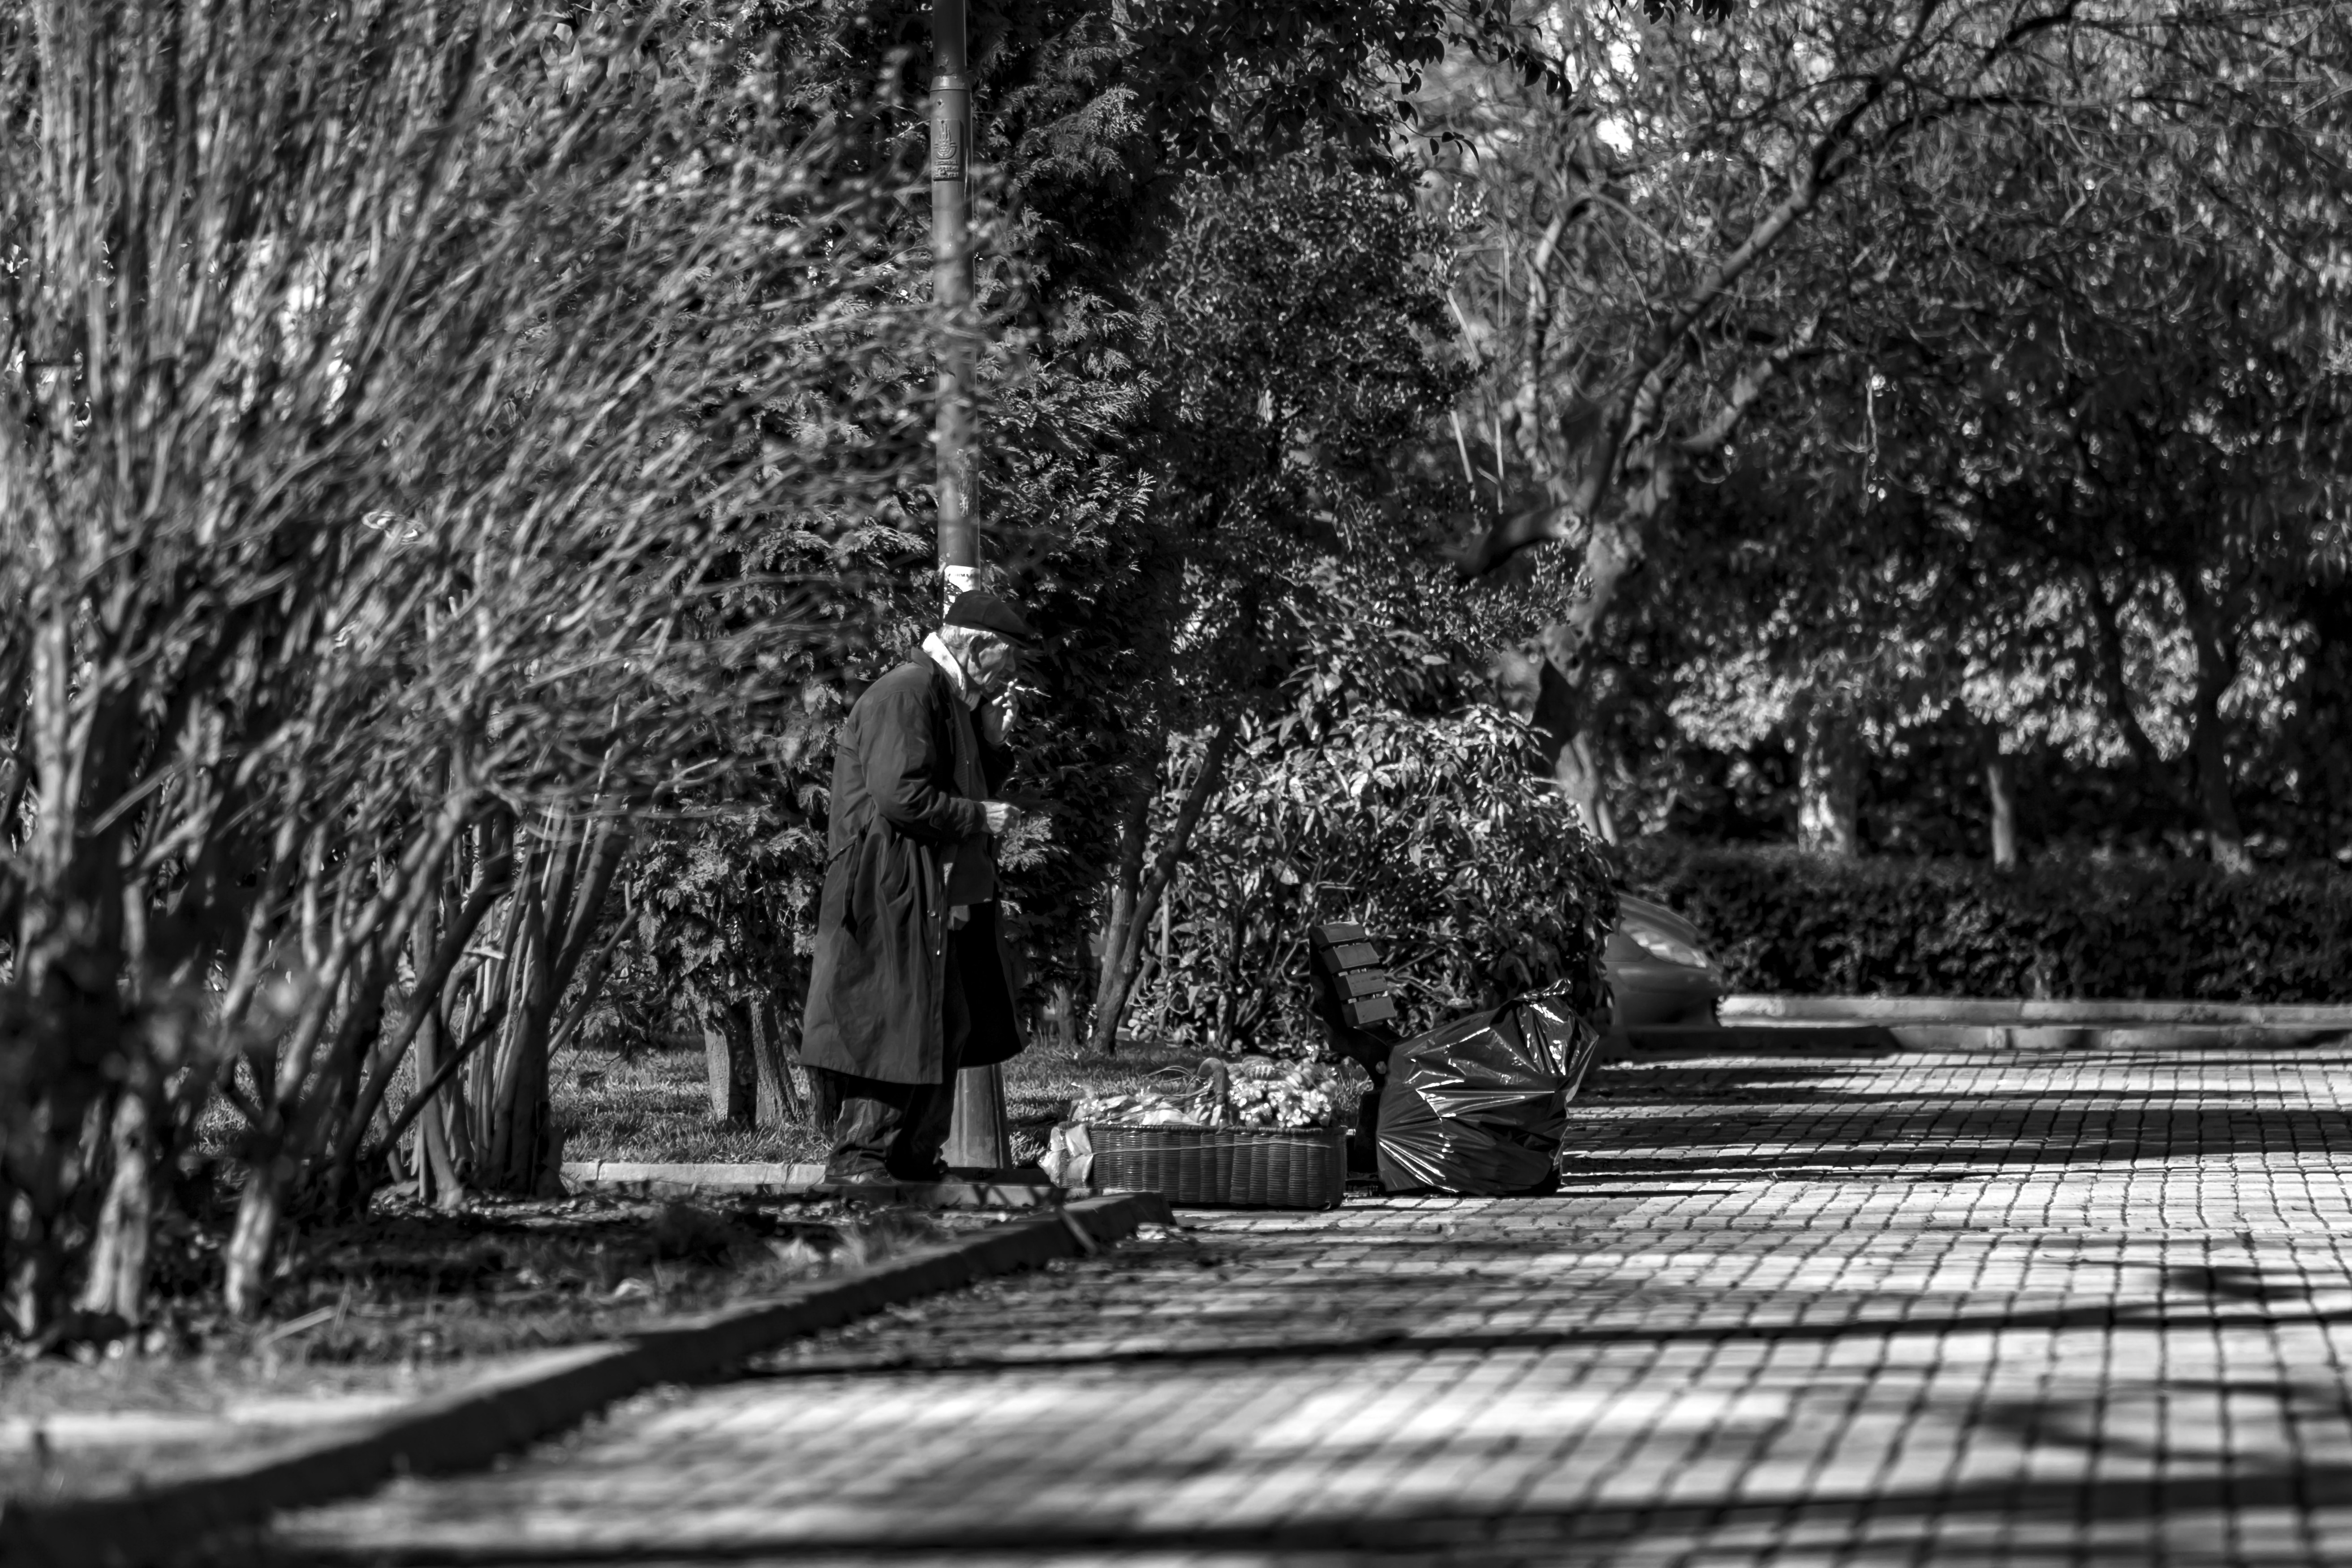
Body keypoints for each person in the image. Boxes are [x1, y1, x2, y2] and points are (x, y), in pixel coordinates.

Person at [799, 590, 1040, 1185]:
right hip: (890, 891)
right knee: (893, 1025)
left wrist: (992, 742)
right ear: (976, 645)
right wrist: (977, 817)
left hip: (930, 894)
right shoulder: (908, 692)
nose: (1013, 671)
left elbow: (957, 779)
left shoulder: (950, 698)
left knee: (944, 1023)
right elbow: (901, 796)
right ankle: (860, 1160)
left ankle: (912, 1158)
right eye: (1009, 656)